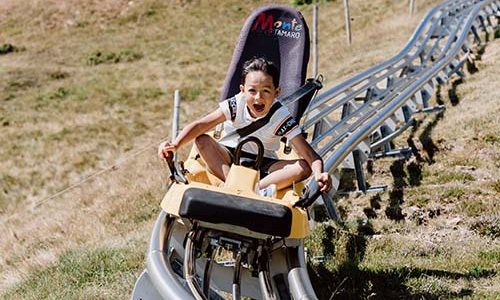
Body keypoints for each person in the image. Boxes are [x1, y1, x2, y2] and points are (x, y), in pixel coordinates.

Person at [158, 57, 331, 193]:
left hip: (264, 163)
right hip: (228, 156)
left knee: (304, 167)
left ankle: (257, 189)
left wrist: (319, 174)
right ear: (242, 90)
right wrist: (175, 144)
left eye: (266, 91)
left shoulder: (281, 116)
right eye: (252, 91)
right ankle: (232, 185)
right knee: (202, 140)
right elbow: (201, 125)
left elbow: (309, 154)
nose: (258, 97)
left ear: (277, 92)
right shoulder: (236, 104)